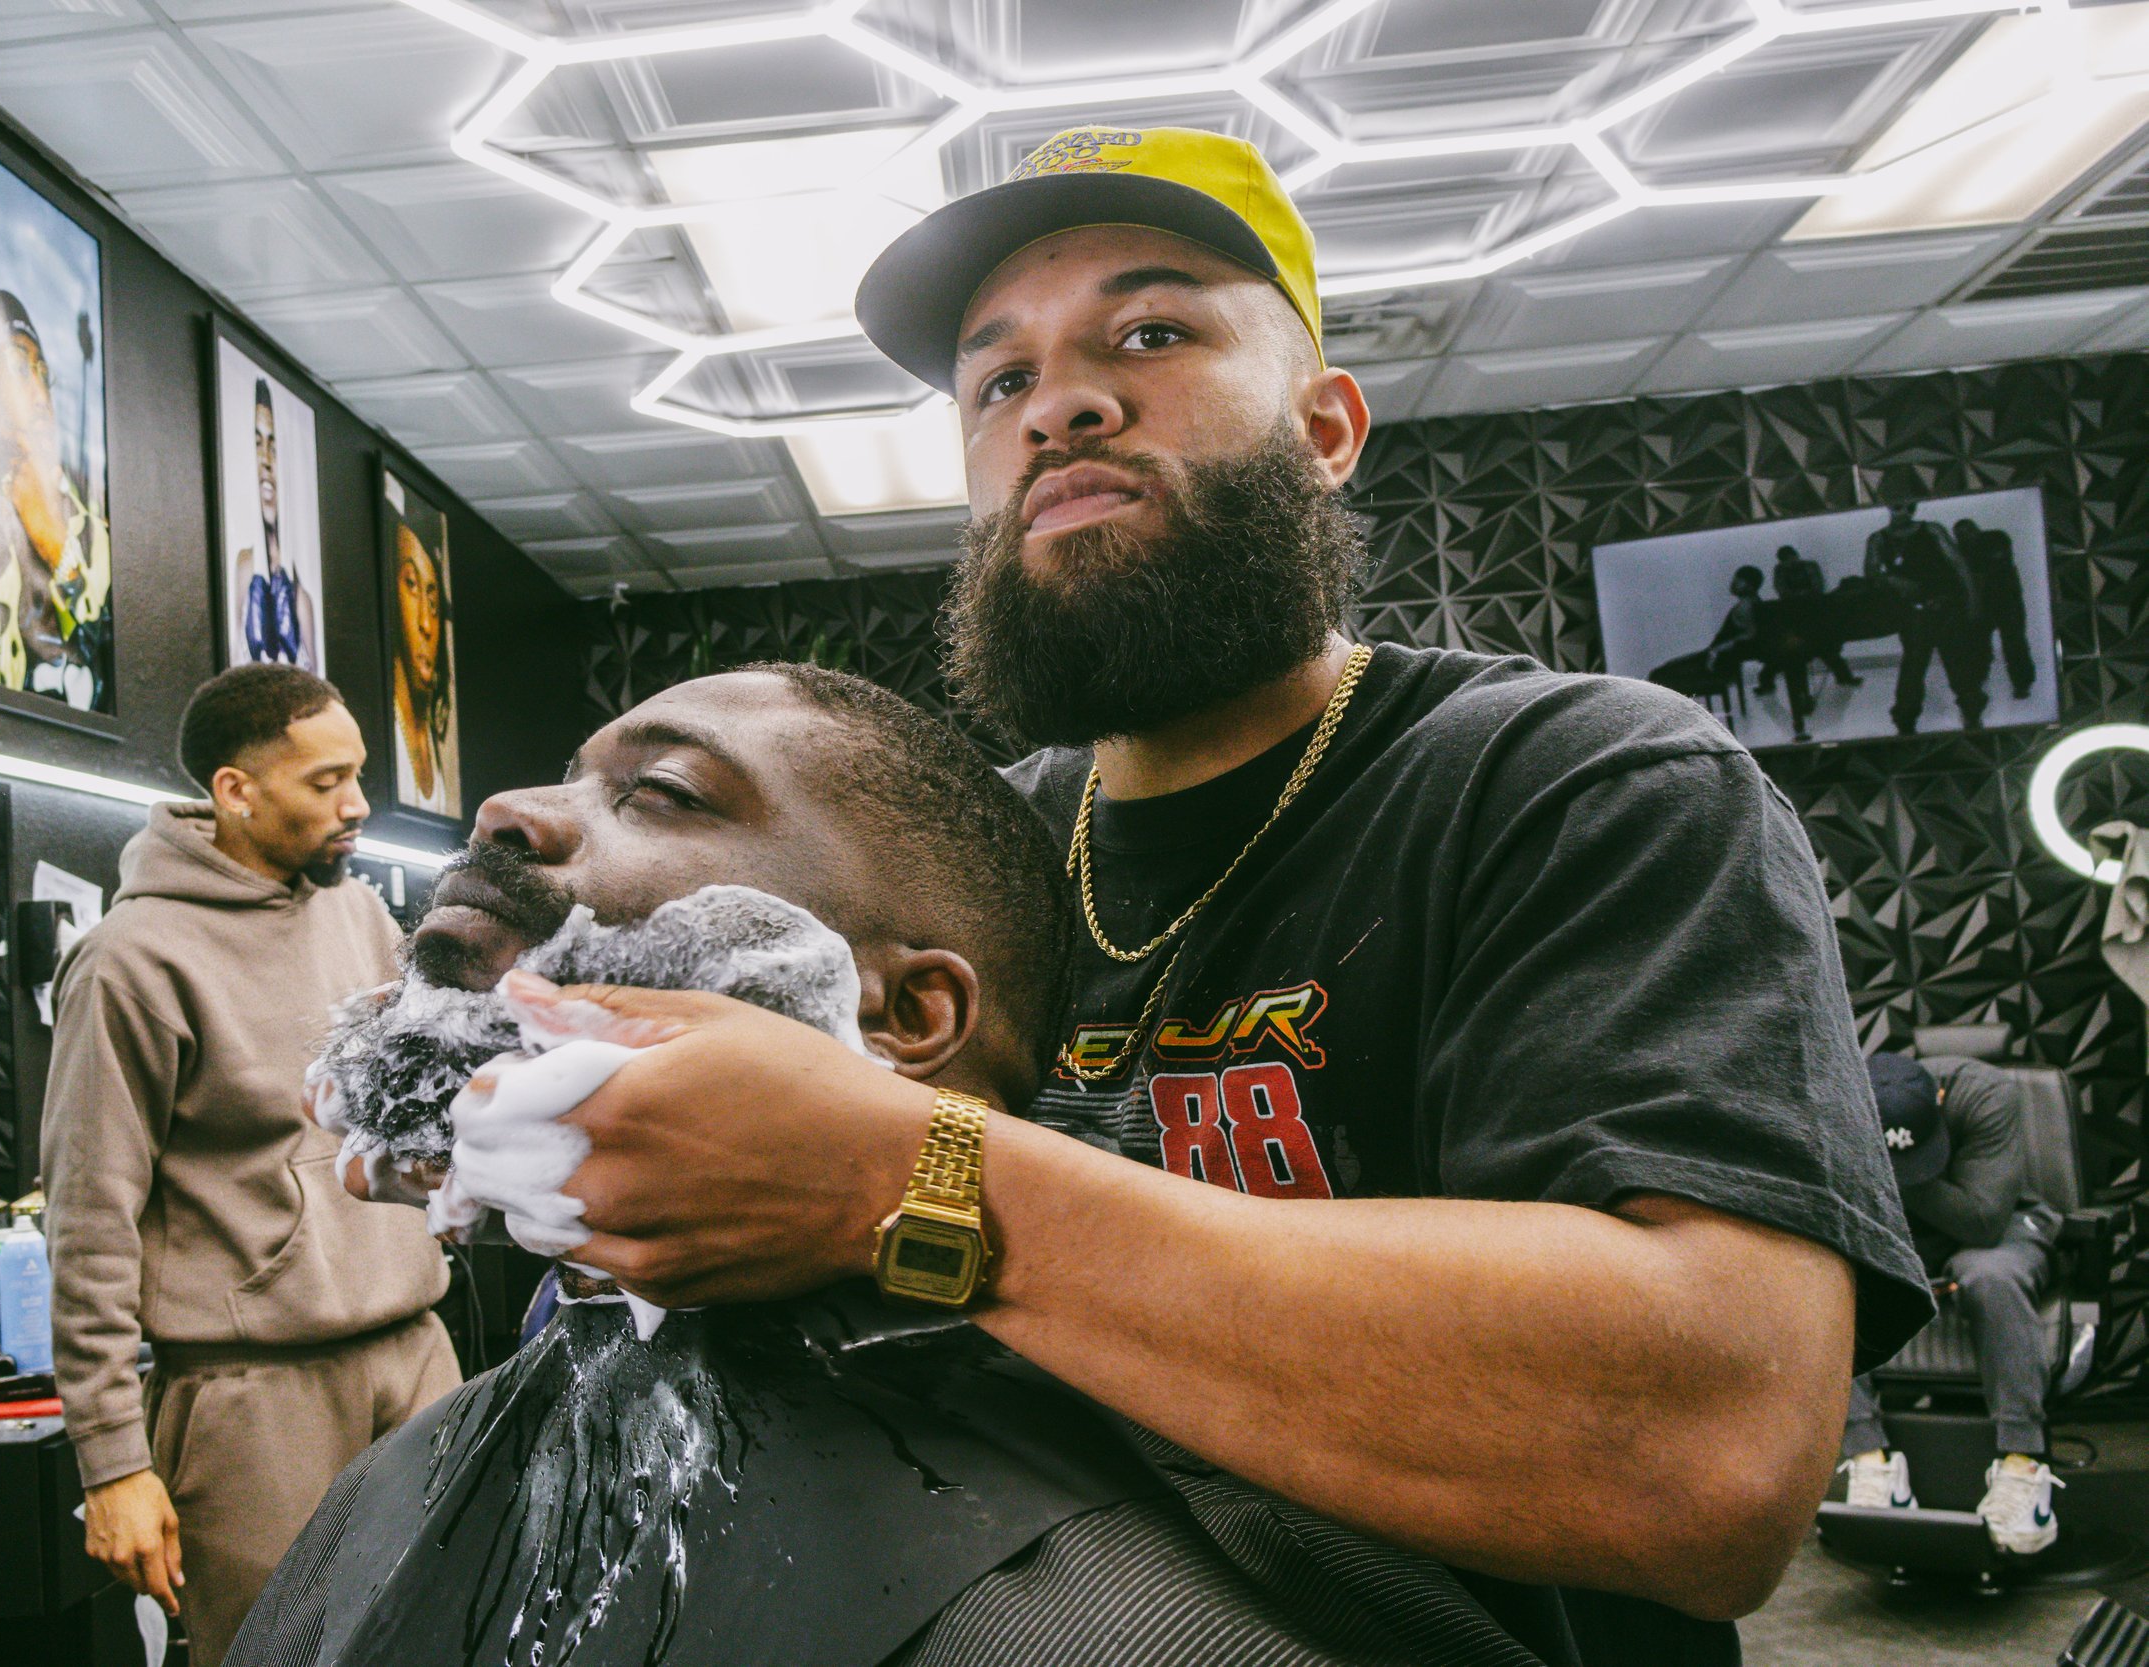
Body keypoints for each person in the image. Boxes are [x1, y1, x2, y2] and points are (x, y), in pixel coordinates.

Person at [474, 125, 1932, 1667]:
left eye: (1152, 334)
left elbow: (1706, 1453)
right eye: (999, 381)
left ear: (1325, 427)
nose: (1062, 405)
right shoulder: (972, 853)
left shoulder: (1578, 781)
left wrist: (900, 1173)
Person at [239, 664, 1542, 1667]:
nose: (507, 810)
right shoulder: (441, 1459)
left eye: (666, 793)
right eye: (569, 777)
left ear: (908, 1016)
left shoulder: (1113, 1608)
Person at [42, 665, 457, 1667]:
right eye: (325, 781)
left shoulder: (357, 913)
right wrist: (111, 1462)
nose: (356, 803)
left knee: (466, 1635)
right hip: (253, 1397)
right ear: (236, 790)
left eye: (356, 775)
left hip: (413, 1349)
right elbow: (89, 1214)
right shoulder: (130, 960)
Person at [1840, 1053, 2065, 1554]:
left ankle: (2022, 1467)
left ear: (1939, 1102)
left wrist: (1896, 1174)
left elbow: (1982, 1220)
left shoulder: (1986, 1094)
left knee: (1988, 1275)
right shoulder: (1848, 1096)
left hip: (1998, 1227)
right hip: (1908, 1237)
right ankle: (1872, 1464)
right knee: (1832, 1283)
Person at [0, 290, 112, 710]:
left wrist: (61, 553)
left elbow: (121, 663)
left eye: (43, 372)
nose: (40, 394)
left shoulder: (93, 516)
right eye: (20, 371)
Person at [1863, 502, 1988, 733]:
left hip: (1946, 607)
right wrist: (1892, 580)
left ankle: (1971, 715)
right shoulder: (1878, 539)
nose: (1900, 512)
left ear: (1912, 509)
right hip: (1913, 613)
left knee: (1959, 664)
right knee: (1913, 667)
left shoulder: (1932, 530)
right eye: (1896, 507)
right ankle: (1905, 721)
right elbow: (1870, 571)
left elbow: (1959, 565)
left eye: (1905, 507)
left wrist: (1973, 602)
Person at [237, 377, 316, 671]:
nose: (266, 461)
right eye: (257, 443)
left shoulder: (300, 598)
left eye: (273, 445)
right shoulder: (244, 568)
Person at [388, 518, 456, 815]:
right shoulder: (379, 732)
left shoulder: (435, 735)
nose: (425, 624)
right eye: (411, 586)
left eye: (433, 602)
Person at [1708, 564, 1813, 741]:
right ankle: (1799, 703)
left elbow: (1747, 635)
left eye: (1738, 580)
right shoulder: (1754, 602)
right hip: (1723, 652)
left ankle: (1797, 713)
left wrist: (1715, 651)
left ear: (1749, 585)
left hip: (1720, 655)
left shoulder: (1745, 606)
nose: (1733, 583)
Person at [1952, 518, 2034, 700]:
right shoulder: (1990, 541)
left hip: (2005, 601)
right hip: (1991, 602)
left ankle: (2021, 684)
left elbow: (1995, 561)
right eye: (1961, 534)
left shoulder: (1995, 539)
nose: (1965, 536)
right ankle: (1982, 683)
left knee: (2012, 643)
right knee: (1981, 646)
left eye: (1967, 532)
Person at [1771, 543, 1858, 687]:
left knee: (1823, 645)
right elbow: (1781, 590)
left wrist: (1800, 596)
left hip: (1814, 609)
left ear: (1795, 556)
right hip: (1796, 612)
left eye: (1790, 559)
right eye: (1786, 561)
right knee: (1821, 647)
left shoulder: (1809, 566)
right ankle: (1843, 677)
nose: (1789, 563)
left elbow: (1818, 586)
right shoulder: (1780, 570)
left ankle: (1843, 676)